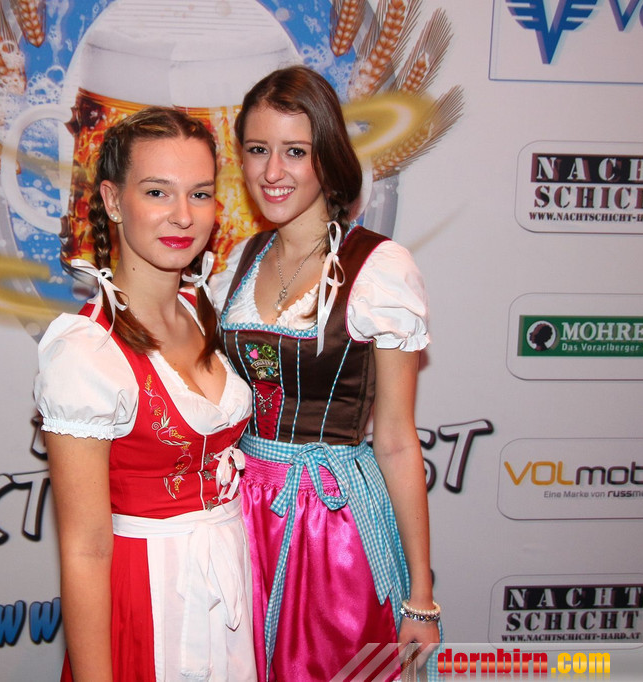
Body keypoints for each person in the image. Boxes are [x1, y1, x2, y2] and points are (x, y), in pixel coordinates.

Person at [210, 66, 442, 681]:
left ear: (328, 157)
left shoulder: (378, 268)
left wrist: (421, 595)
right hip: (239, 512)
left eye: (295, 151)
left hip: (330, 518)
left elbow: (396, 440)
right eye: (257, 150)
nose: (272, 172)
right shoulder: (238, 261)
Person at [35, 107, 257, 681]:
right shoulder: (87, 351)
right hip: (149, 598)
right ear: (113, 201)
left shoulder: (203, 308)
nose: (183, 215)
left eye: (200, 194)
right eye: (158, 192)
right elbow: (85, 549)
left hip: (232, 585)